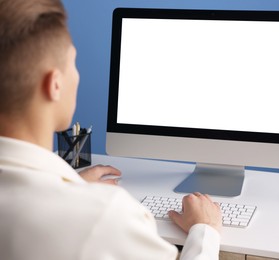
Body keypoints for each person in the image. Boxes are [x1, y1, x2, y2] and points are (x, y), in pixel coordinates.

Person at [0, 0, 222, 259]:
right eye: (73, 61)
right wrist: (205, 229)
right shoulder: (104, 215)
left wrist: (72, 188)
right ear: (55, 84)